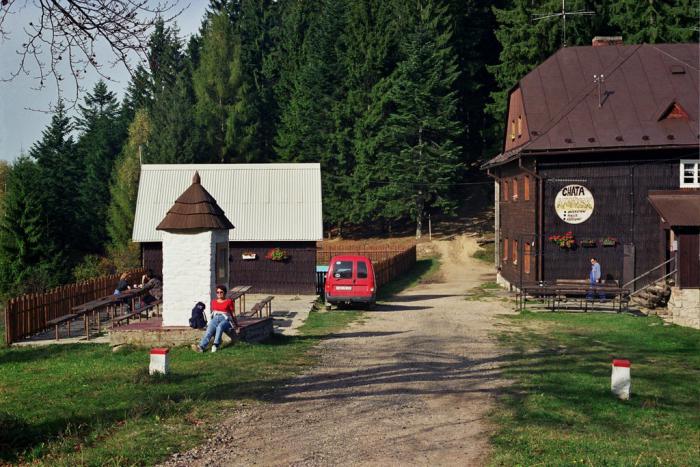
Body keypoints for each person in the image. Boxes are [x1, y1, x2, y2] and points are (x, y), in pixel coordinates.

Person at [192, 285, 239, 353]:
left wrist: (236, 324)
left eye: (221, 292)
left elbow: (233, 313)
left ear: (225, 293)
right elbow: (213, 314)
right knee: (209, 329)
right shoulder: (214, 302)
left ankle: (216, 344)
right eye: (217, 292)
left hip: (225, 319)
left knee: (220, 327)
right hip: (215, 318)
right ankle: (201, 347)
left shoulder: (229, 301)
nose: (219, 294)